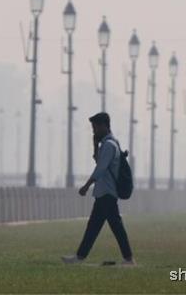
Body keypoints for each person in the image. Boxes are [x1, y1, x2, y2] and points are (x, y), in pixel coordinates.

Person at [61, 112, 135, 266]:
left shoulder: (109, 145)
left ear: (103, 126)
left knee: (115, 227)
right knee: (94, 228)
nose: (94, 131)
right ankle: (80, 257)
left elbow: (100, 169)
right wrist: (95, 145)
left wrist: (86, 186)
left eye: (95, 127)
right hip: (103, 193)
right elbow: (99, 161)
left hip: (107, 193)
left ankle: (128, 259)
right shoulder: (109, 144)